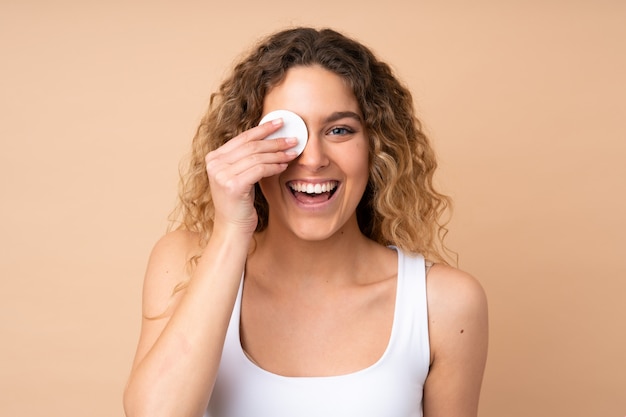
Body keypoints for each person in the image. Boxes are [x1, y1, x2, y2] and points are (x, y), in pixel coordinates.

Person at [123, 27, 488, 417]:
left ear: (376, 148)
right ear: (244, 144)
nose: (312, 159)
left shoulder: (443, 304)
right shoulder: (185, 264)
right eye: (284, 131)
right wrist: (231, 230)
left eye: (340, 130)